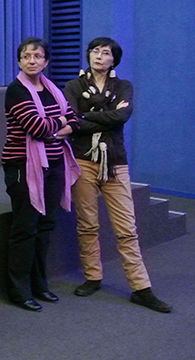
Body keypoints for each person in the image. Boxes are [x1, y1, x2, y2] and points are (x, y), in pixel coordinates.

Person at [63, 37, 172, 313]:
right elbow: (72, 121)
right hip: (83, 160)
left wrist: (90, 115)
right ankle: (93, 277)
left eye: (106, 53)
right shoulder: (74, 85)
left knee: (126, 228)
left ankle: (140, 288)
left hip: (115, 162)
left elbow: (122, 118)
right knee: (87, 224)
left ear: (114, 60)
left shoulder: (123, 86)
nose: (99, 56)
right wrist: (108, 114)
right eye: (95, 51)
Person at [2, 37, 80, 312]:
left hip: (55, 165)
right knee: (25, 228)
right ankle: (18, 289)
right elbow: (37, 128)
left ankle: (38, 283)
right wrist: (59, 123)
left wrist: (56, 124)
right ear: (20, 61)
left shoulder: (52, 90)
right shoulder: (16, 90)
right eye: (26, 56)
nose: (32, 60)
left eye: (37, 56)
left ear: (46, 61)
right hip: (24, 167)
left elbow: (75, 121)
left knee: (45, 226)